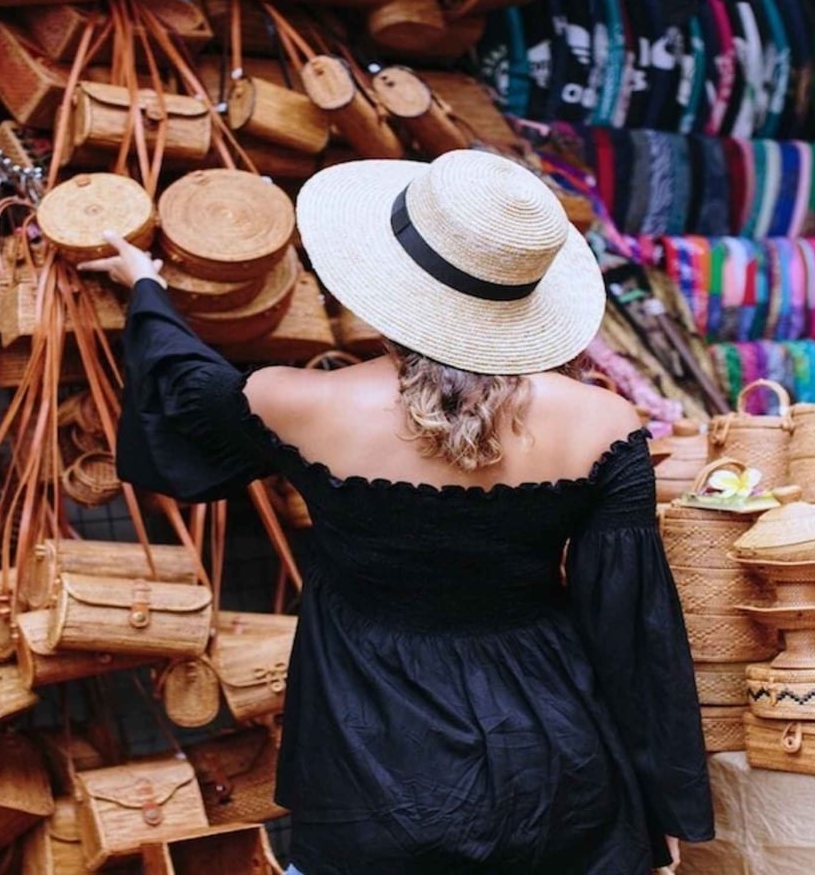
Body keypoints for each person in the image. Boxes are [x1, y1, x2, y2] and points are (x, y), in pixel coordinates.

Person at [80, 150, 714, 875]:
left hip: (372, 762)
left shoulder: (301, 404)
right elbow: (634, 633)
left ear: (389, 282)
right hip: (557, 766)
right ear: (522, 301)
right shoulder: (605, 423)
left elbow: (186, 389)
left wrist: (149, 291)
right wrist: (662, 806)